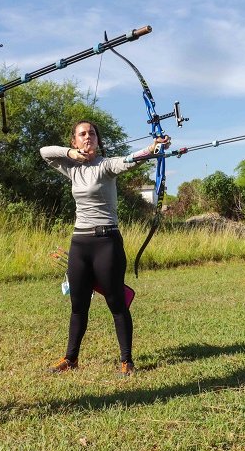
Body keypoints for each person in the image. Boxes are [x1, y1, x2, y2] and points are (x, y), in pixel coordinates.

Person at [40, 121, 170, 376]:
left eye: (92, 133)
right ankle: (71, 358)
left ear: (99, 140)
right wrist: (70, 154)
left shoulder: (106, 165)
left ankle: (127, 360)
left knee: (116, 303)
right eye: (82, 134)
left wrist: (154, 147)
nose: (88, 137)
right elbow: (45, 152)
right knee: (78, 305)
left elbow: (131, 159)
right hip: (80, 243)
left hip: (106, 242)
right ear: (75, 141)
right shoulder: (72, 169)